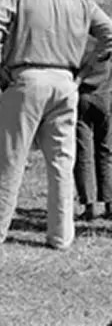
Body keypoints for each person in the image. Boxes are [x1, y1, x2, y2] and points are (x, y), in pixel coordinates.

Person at [0, 0, 112, 250]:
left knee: (10, 157)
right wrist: (86, 68)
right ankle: (61, 234)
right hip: (66, 82)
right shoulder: (81, 1)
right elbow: (108, 33)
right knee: (61, 162)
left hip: (26, 77)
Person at [74, 29, 112, 221]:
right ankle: (109, 202)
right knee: (105, 151)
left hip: (82, 96)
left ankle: (89, 205)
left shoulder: (77, 38)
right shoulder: (106, 40)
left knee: (83, 153)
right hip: (104, 96)